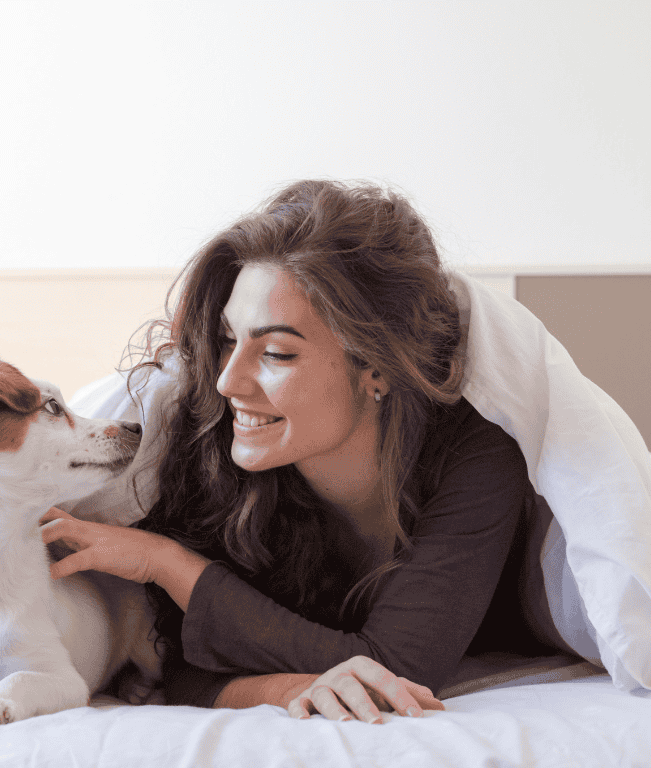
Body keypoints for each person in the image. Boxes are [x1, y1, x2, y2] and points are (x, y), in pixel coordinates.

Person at [40, 179, 564, 723]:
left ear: (377, 366)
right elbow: (187, 667)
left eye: (277, 352)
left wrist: (169, 564)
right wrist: (292, 686)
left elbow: (398, 665)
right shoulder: (219, 453)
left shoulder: (477, 454)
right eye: (227, 339)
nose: (228, 381)